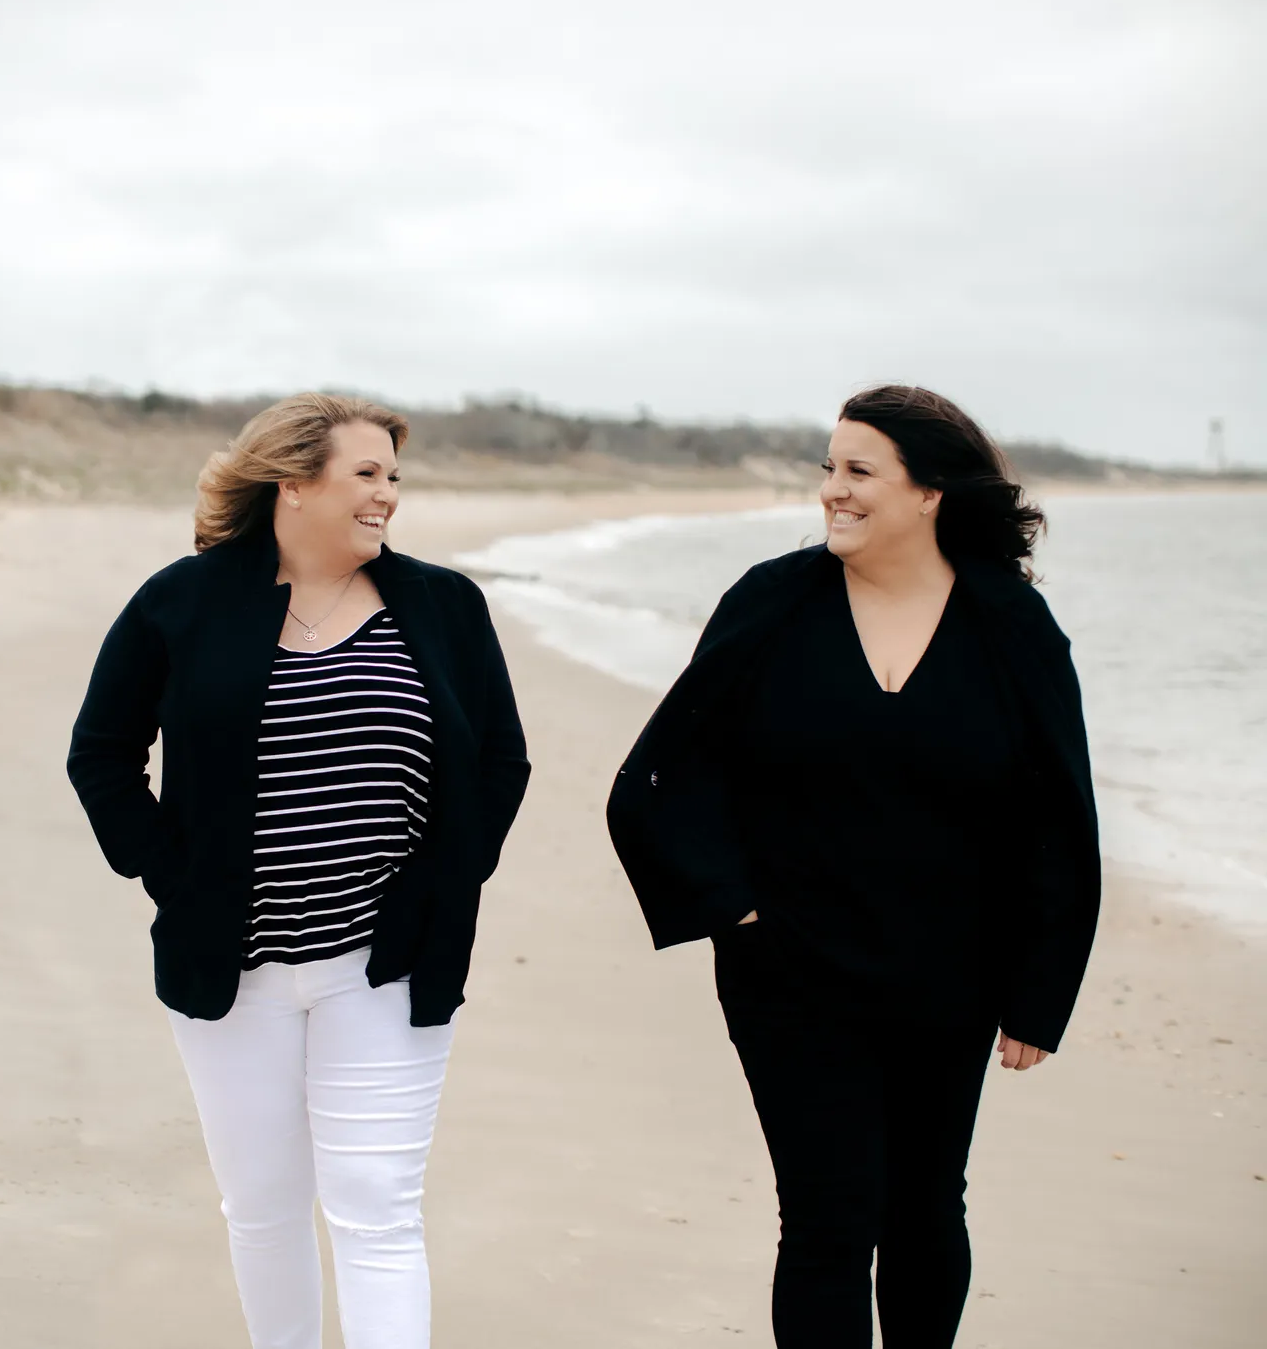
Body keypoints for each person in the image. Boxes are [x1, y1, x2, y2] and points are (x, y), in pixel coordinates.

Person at [606, 385, 1100, 1347]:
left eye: (859, 471)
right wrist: (732, 913)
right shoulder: (772, 601)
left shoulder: (1010, 625)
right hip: (789, 976)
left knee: (923, 1210)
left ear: (930, 494)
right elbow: (660, 775)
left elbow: (1060, 819)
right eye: (828, 469)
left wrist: (1040, 994)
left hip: (951, 978)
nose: (832, 490)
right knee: (829, 1219)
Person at [67, 392, 529, 1349]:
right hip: (233, 968)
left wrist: (451, 880)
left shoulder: (443, 607)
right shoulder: (181, 603)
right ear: (294, 486)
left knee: (377, 1206)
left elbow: (501, 762)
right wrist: (172, 875)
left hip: (388, 963)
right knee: (265, 1207)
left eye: (394, 478)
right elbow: (102, 751)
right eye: (367, 474)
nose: (388, 497)